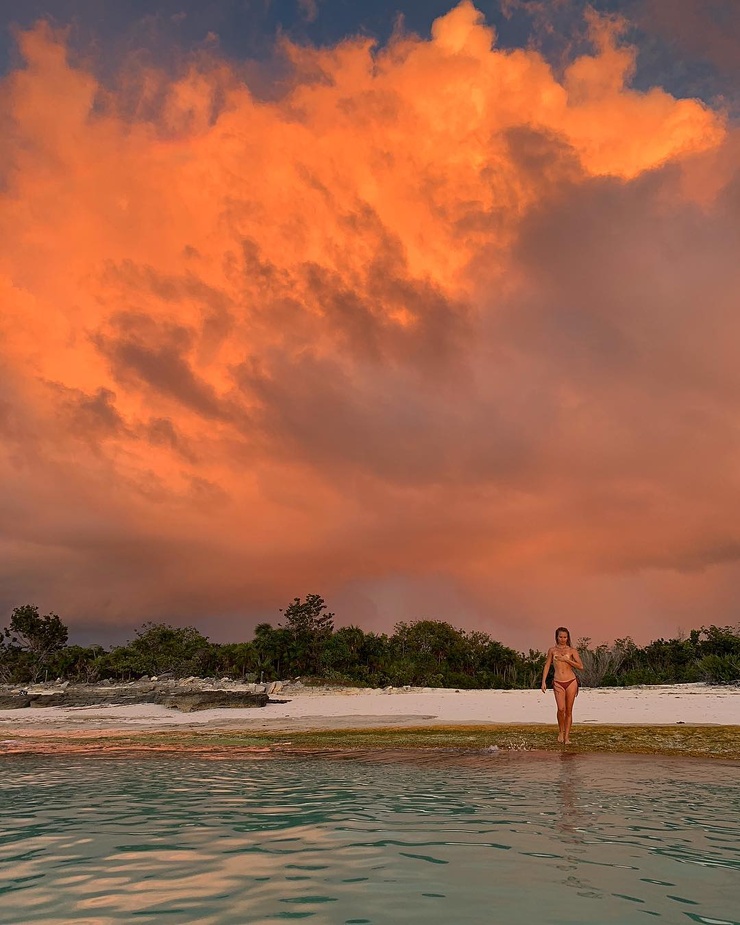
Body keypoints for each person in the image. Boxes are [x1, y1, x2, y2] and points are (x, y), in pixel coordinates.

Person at [541, 627, 583, 744]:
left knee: (569, 711)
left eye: (565, 637)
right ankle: (561, 731)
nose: (563, 639)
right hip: (558, 682)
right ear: (556, 637)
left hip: (571, 681)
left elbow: (580, 666)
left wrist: (567, 660)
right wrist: (543, 681)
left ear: (568, 637)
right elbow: (547, 665)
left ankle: (567, 738)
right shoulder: (552, 650)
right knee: (561, 709)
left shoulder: (572, 651)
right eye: (560, 637)